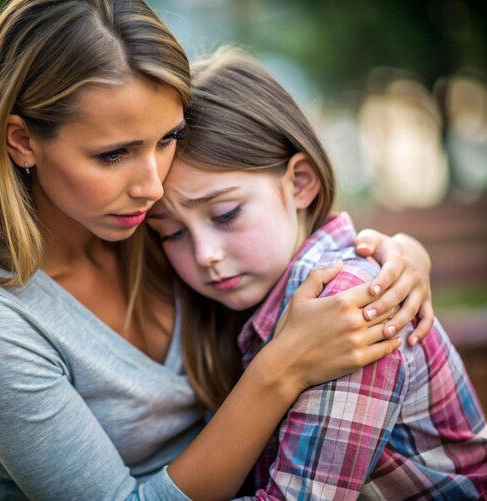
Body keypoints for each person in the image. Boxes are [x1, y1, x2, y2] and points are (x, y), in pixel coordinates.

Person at [0, 1, 435, 500]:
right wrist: (279, 370)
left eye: (166, 138)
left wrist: (402, 254)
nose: (152, 185)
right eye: (113, 154)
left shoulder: (160, 232)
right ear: (22, 142)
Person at [146, 47, 487, 499]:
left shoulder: (348, 304)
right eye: (171, 233)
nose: (205, 254)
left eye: (225, 214)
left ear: (300, 182)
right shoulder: (240, 304)